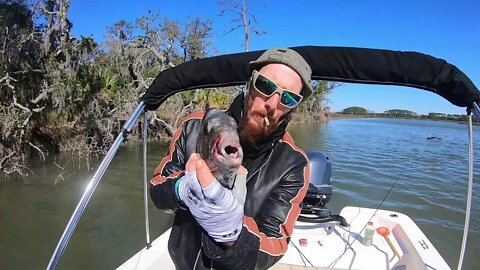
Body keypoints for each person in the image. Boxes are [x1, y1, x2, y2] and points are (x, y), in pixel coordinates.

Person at [150, 48, 313, 270]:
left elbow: (274, 242)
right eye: (265, 86)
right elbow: (158, 189)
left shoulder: (294, 164)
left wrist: (232, 233)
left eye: (288, 98)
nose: (272, 105)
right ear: (249, 84)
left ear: (292, 108)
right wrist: (181, 188)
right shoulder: (194, 126)